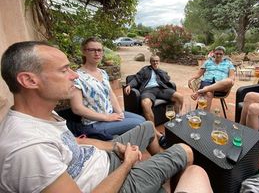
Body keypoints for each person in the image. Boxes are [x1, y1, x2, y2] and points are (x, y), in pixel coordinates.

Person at [0, 41, 213, 193]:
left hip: (101, 160)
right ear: (29, 80)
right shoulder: (28, 147)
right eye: (64, 70)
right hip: (106, 180)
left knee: (147, 127)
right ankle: (162, 174)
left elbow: (72, 141)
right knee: (185, 151)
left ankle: (159, 171)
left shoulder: (44, 115)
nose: (74, 75)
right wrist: (127, 164)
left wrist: (114, 147)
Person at [70, 37, 145, 139]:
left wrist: (119, 113)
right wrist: (107, 117)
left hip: (110, 114)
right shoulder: (77, 77)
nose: (97, 53)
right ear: (84, 52)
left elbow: (111, 94)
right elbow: (77, 108)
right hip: (94, 123)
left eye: (99, 50)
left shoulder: (103, 72)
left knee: (141, 118)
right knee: (141, 123)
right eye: (92, 50)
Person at [124, 55, 184, 146]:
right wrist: (129, 85)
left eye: (157, 61)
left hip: (161, 89)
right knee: (145, 103)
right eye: (153, 61)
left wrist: (158, 70)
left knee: (180, 97)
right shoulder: (145, 70)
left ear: (159, 62)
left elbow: (167, 79)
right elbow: (137, 78)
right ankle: (154, 132)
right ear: (150, 62)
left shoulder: (161, 71)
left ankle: (176, 118)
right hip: (148, 90)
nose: (155, 63)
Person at [188, 46, 235, 111]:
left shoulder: (228, 63)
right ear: (213, 53)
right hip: (207, 82)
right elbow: (199, 74)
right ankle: (206, 115)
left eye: (220, 54)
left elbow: (231, 77)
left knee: (230, 81)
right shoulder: (208, 62)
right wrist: (191, 79)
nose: (218, 55)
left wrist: (229, 82)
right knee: (208, 93)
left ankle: (201, 91)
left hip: (221, 85)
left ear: (223, 54)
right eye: (217, 53)